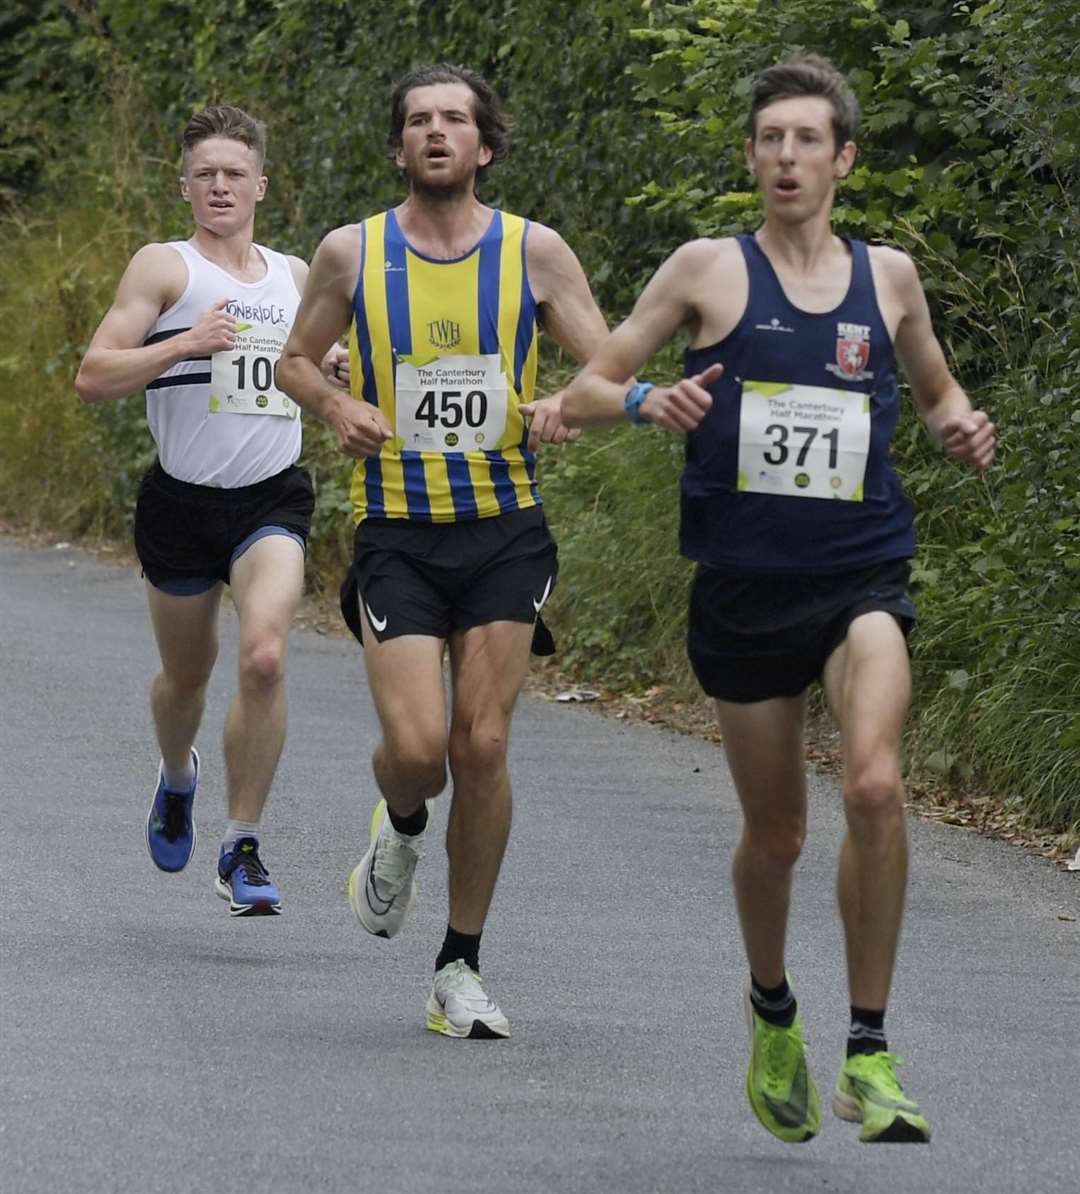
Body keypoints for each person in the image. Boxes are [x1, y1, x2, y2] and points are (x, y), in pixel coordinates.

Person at [562, 54, 994, 1142]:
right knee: (778, 838)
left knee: (876, 785)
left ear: (844, 157)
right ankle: (771, 1008)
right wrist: (652, 397)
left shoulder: (888, 278)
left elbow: (939, 391)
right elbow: (588, 388)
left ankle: (871, 1049)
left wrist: (957, 424)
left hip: (861, 576)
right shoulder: (708, 270)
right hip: (745, 591)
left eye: (809, 140)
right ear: (752, 158)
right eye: (772, 141)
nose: (788, 158)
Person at [277, 63, 608, 1038]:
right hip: (399, 537)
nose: (435, 133)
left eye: (453, 120)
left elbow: (609, 367)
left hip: (506, 530)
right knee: (421, 754)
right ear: (398, 146)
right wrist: (337, 405)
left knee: (486, 743)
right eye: (418, 120)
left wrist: (564, 406)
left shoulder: (534, 253)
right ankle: (403, 826)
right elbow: (296, 360)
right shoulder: (352, 253)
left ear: (485, 145)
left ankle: (459, 965)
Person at [75, 106, 346, 916]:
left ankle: (243, 845)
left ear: (261, 184)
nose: (220, 186)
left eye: (235, 173)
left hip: (271, 497)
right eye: (206, 174)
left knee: (264, 657)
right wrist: (182, 345)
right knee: (184, 681)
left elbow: (331, 367)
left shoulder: (299, 276)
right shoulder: (164, 269)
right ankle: (178, 776)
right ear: (185, 186)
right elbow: (94, 375)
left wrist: (332, 369)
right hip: (180, 503)